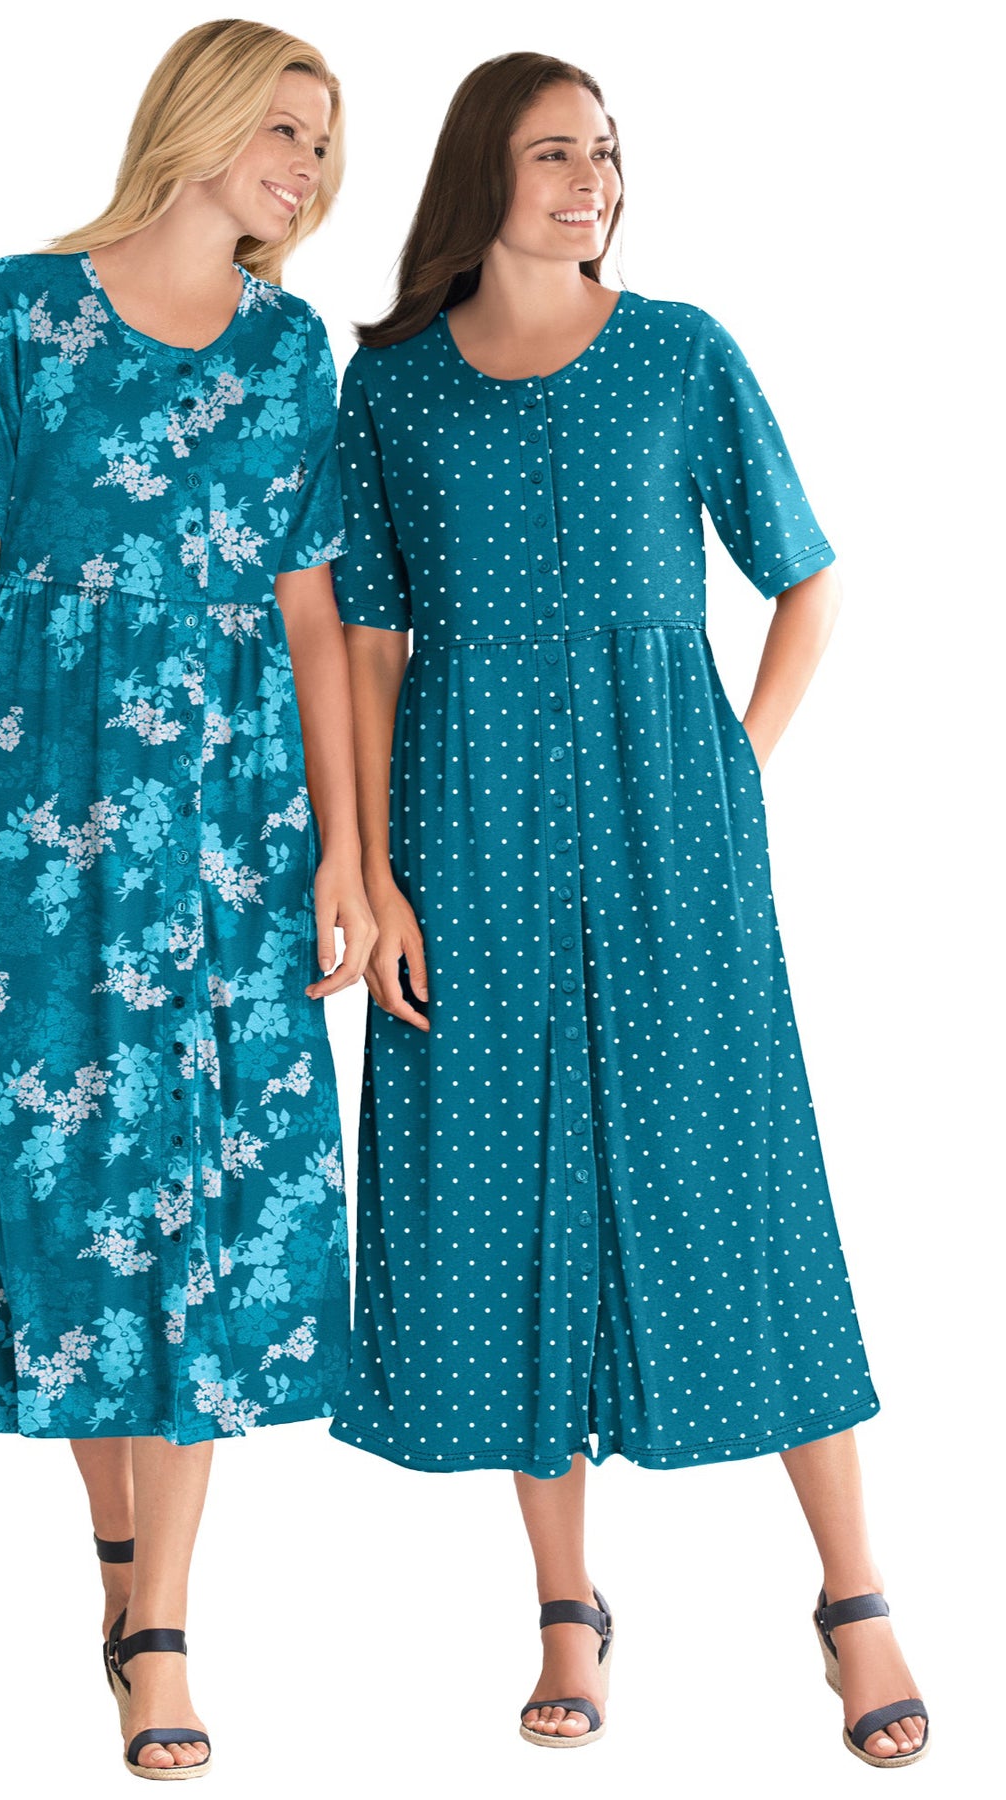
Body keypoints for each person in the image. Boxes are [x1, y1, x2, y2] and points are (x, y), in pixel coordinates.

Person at [327, 52, 927, 1768]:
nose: (589, 177)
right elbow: (367, 643)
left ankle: (857, 1596)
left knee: (744, 1174)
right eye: (552, 152)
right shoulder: (392, 390)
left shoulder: (680, 350)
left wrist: (739, 763)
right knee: (500, 1192)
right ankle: (566, 1607)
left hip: (673, 818)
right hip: (466, 826)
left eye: (603, 149)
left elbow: (806, 577)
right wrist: (374, 875)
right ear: (481, 174)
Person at [0, 19, 373, 1780]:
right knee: (70, 1191)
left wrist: (347, 848)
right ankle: (117, 1567)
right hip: (49, 812)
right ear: (200, 120)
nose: (309, 166)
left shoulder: (291, 346)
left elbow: (314, 613)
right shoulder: (18, 306)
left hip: (238, 829)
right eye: (286, 128)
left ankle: (159, 1627)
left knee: (217, 1211)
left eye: (324, 141)